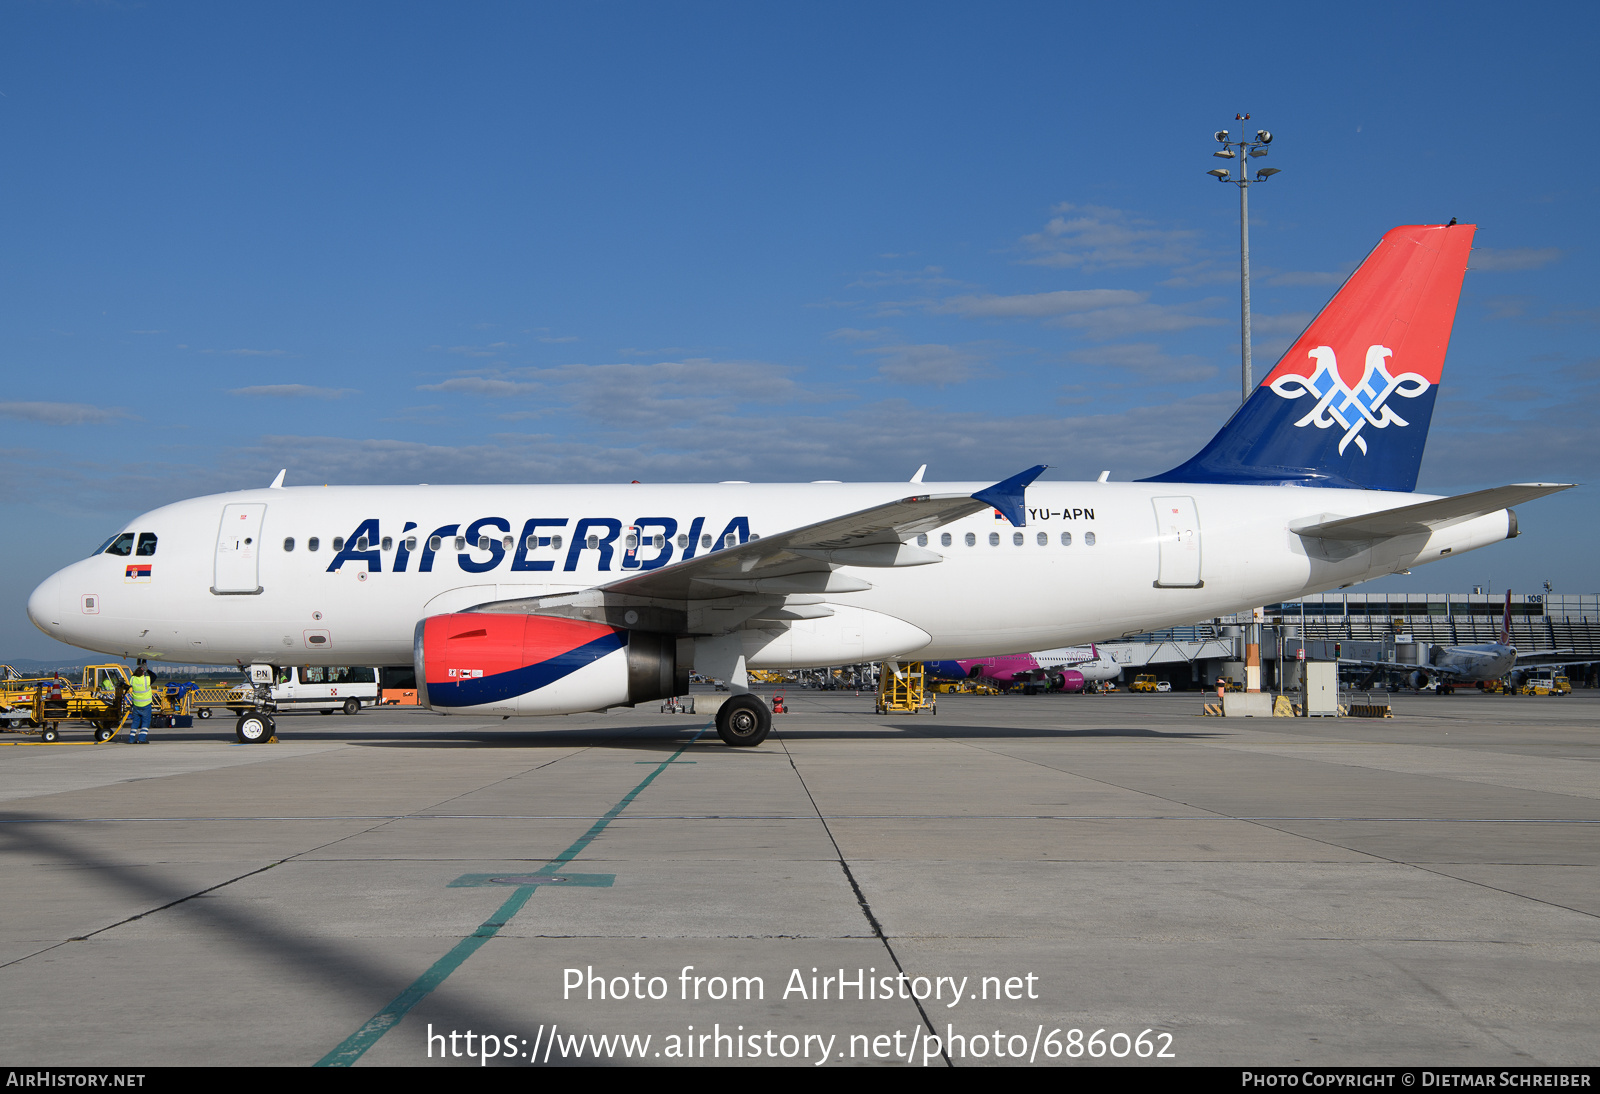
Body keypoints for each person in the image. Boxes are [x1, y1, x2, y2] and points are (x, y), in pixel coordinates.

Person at [127, 666, 154, 743]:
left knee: (135, 722)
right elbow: (154, 676)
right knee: (146, 722)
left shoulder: (133, 679)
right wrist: (147, 670)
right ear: (143, 673)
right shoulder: (146, 679)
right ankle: (142, 739)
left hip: (136, 705)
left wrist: (139, 670)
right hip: (146, 705)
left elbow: (133, 676)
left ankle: (131, 739)